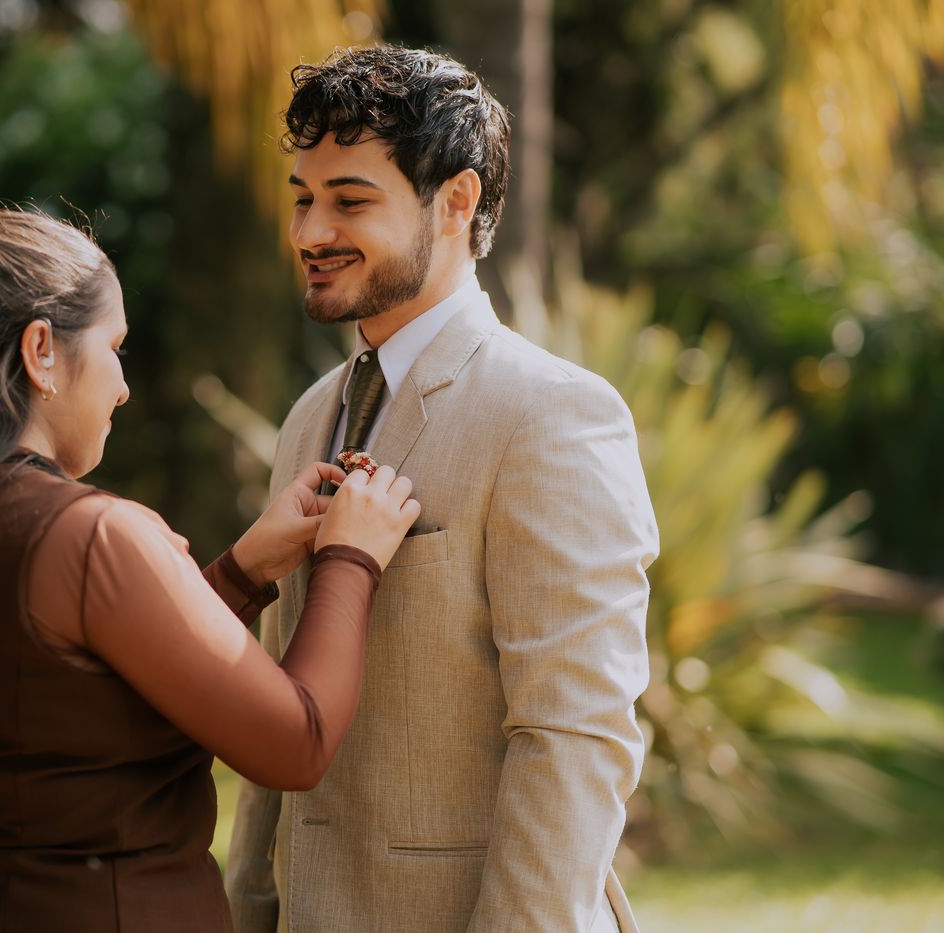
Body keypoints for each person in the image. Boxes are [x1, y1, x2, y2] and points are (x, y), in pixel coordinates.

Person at [0, 207, 420, 931]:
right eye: (114, 347)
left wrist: (242, 572)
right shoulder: (90, 536)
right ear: (41, 351)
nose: (123, 386)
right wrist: (350, 557)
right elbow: (296, 741)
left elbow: (74, 702)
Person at [225, 46, 659, 933]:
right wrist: (251, 910)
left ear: (457, 202)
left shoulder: (552, 414)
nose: (310, 233)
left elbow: (574, 735)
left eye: (350, 201)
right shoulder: (309, 419)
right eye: (304, 199)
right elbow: (282, 693)